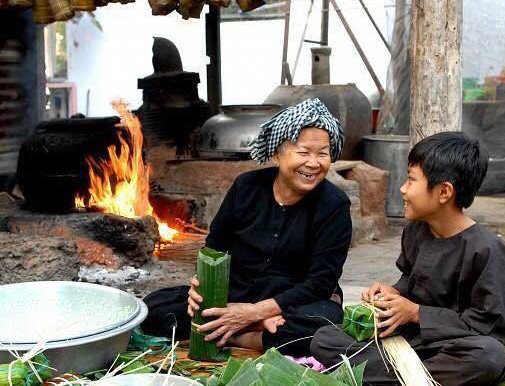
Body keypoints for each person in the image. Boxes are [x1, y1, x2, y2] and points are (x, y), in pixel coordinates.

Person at [310, 132, 505, 386]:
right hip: (411, 347)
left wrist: (417, 313)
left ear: (444, 192)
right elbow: (410, 281)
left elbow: (491, 329)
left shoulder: (488, 251)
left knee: (490, 357)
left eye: (411, 180)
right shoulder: (416, 230)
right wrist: (393, 294)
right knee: (324, 339)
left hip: (454, 348)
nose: (402, 189)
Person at [142, 98, 352, 354]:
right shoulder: (246, 187)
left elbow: (320, 283)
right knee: (152, 309)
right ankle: (256, 331)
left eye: (323, 154)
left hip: (290, 303)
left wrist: (253, 313)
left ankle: (244, 337)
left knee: (323, 325)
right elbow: (214, 249)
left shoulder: (334, 205)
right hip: (235, 293)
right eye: (303, 152)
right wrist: (201, 289)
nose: (313, 163)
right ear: (276, 153)